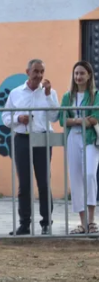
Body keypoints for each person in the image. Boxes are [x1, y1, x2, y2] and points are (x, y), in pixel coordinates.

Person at [2, 59, 59, 235]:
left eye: (42, 71)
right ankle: (24, 223)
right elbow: (5, 117)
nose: (39, 75)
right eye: (36, 71)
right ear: (27, 71)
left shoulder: (50, 92)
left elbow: (54, 117)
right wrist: (18, 119)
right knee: (24, 184)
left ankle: (46, 223)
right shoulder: (16, 93)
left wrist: (49, 95)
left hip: (42, 139)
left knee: (43, 182)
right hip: (22, 138)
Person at [59, 61, 99, 234]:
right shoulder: (68, 96)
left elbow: (95, 117)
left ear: (89, 75)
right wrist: (80, 121)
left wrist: (77, 121)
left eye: (82, 73)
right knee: (75, 178)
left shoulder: (95, 95)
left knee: (89, 174)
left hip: (89, 139)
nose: (78, 77)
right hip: (73, 138)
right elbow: (62, 119)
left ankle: (92, 220)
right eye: (76, 73)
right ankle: (82, 223)